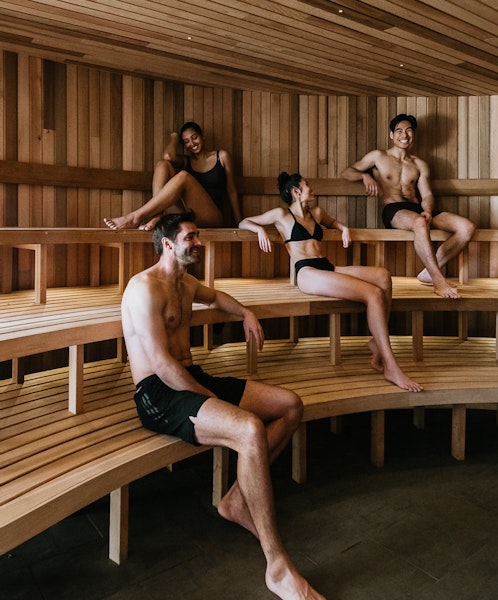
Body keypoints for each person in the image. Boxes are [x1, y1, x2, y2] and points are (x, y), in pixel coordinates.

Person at [121, 211, 325, 600]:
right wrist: (208, 398)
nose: (199, 242)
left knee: (289, 406)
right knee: (247, 428)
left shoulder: (184, 283)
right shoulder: (144, 288)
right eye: (191, 236)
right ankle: (278, 568)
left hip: (192, 377)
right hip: (159, 394)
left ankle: (235, 500)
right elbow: (161, 365)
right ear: (168, 243)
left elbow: (214, 296)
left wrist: (245, 311)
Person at [239, 172, 423, 393]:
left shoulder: (316, 213)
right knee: (373, 294)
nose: (312, 188)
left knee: (382, 276)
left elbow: (333, 222)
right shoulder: (281, 215)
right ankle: (391, 366)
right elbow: (244, 222)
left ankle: (376, 342)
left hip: (326, 266)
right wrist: (259, 229)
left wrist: (343, 229)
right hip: (307, 272)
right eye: (307, 185)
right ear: (296, 192)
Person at [341, 114, 476, 299]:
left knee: (466, 227)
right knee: (420, 223)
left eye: (409, 130)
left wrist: (428, 211)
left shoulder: (420, 164)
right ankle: (439, 282)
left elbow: (427, 194)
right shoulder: (378, 156)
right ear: (391, 135)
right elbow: (347, 172)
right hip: (394, 210)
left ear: (413, 134)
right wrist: (364, 176)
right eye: (399, 131)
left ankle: (428, 273)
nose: (404, 134)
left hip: (418, 210)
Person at [104, 122, 241, 230]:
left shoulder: (221, 156)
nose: (192, 143)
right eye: (186, 141)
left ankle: (135, 217)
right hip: (188, 214)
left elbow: (232, 190)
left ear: (202, 135)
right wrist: (174, 138)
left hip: (212, 216)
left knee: (184, 176)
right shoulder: (188, 161)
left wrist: (240, 222)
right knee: (162, 165)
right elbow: (168, 156)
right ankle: (157, 216)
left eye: (194, 137)